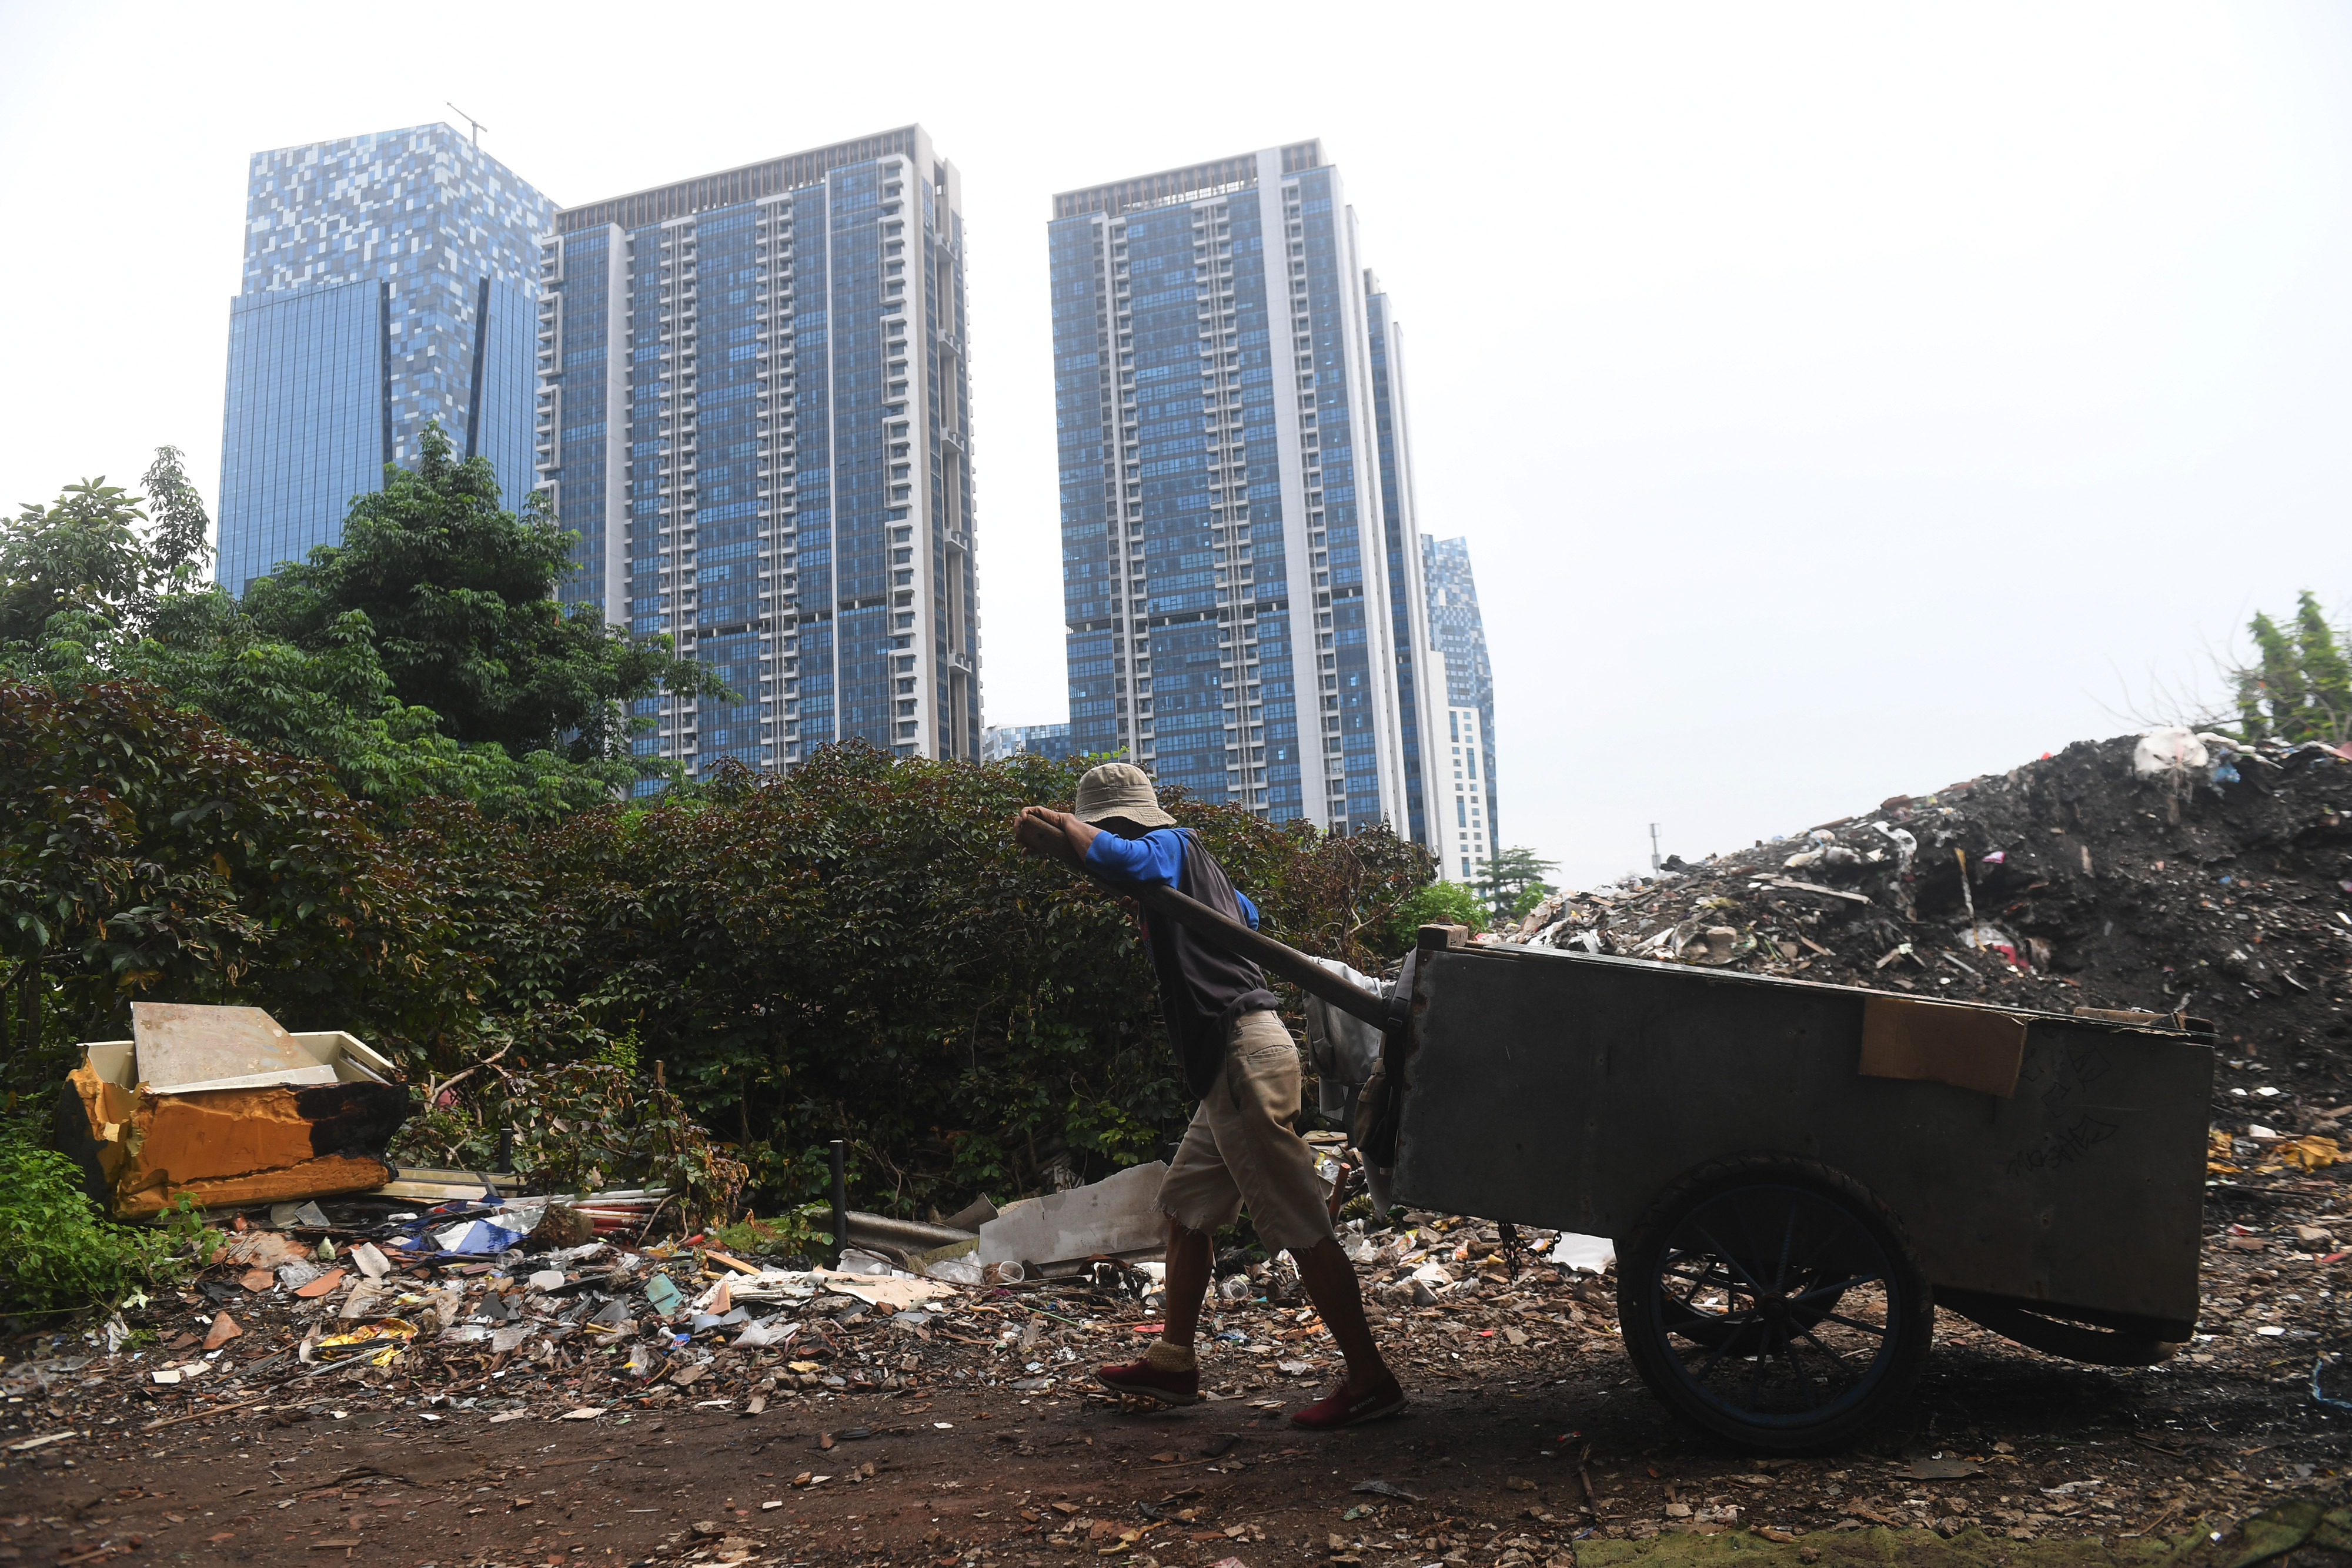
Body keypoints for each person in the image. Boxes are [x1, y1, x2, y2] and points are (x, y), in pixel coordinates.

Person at [1012, 762, 1405, 1429]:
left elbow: (1125, 856)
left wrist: (1068, 831)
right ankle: (1174, 1362)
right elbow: (1243, 914)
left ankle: (1370, 1378)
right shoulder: (1199, 875)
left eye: (1106, 828)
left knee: (1299, 1222)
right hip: (1241, 1055)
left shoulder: (1171, 846)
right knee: (1186, 1208)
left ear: (1122, 823)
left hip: (1240, 1054)